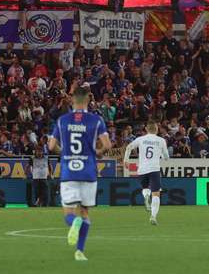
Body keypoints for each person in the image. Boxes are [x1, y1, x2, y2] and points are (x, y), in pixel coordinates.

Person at [48, 84, 111, 262]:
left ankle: (72, 222)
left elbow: (51, 146)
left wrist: (64, 152)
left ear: (72, 100)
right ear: (88, 100)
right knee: (84, 213)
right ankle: (79, 252)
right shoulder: (96, 120)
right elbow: (107, 145)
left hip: (69, 171)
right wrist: (97, 153)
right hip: (89, 171)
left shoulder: (62, 120)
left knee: (69, 212)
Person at [123, 121, 169, 225]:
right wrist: (162, 155)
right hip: (154, 169)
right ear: (156, 130)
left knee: (145, 188)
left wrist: (126, 160)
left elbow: (128, 147)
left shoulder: (140, 139)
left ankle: (146, 196)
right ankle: (153, 216)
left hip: (142, 169)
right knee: (156, 193)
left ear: (147, 130)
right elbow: (166, 157)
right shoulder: (161, 140)